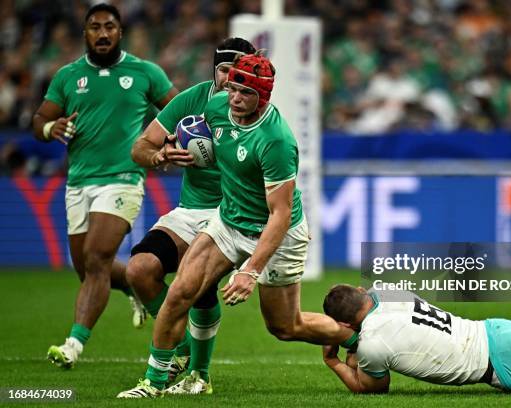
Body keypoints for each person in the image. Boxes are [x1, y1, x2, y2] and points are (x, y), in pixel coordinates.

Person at [118, 52, 356, 398]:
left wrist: (250, 271)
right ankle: (152, 384)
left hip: (277, 233)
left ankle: (355, 337)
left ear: (264, 96)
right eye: (232, 89)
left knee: (285, 327)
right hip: (228, 222)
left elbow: (280, 214)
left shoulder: (276, 141)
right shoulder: (216, 109)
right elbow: (201, 143)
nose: (235, 98)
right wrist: (172, 148)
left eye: (245, 93)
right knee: (181, 291)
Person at [32, 3, 178, 369]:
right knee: (87, 268)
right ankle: (133, 285)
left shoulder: (145, 72)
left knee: (96, 258)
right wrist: (52, 128)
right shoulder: (68, 76)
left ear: (120, 32)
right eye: (94, 27)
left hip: (123, 178)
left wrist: (169, 143)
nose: (102, 33)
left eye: (109, 26)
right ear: (85, 33)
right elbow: (40, 119)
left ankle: (73, 345)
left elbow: (178, 109)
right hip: (79, 181)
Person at [122, 37, 255, 393]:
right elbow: (140, 146)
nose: (231, 79)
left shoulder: (256, 109)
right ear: (215, 70)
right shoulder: (190, 100)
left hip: (232, 214)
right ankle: (179, 347)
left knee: (199, 284)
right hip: (191, 209)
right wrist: (159, 156)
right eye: (225, 70)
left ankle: (199, 374)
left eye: (239, 72)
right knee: (139, 270)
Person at [321, 284, 511, 395]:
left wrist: (333, 360)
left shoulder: (372, 344)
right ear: (361, 291)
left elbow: (371, 388)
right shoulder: (386, 290)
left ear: (345, 324)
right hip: (497, 331)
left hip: (502, 360)